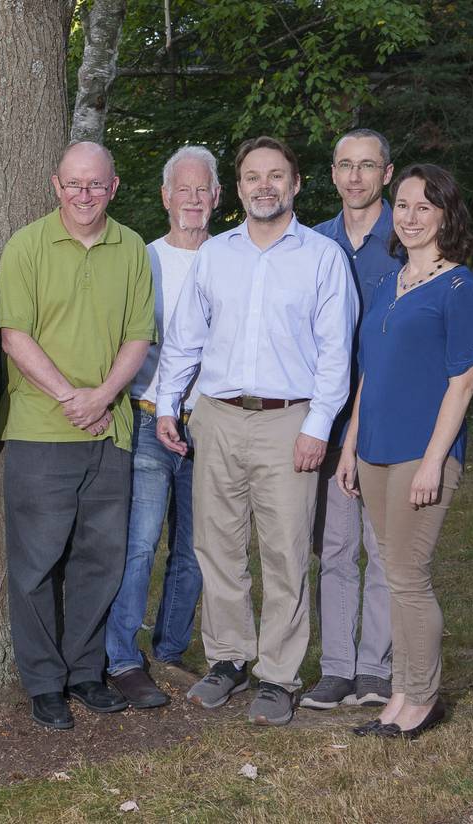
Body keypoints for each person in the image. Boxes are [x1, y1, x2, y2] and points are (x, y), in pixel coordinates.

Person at [154, 135, 357, 727]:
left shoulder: (321, 257)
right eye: (251, 177)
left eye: (276, 176)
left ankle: (278, 675)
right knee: (216, 546)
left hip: (288, 420)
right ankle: (228, 658)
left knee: (285, 550)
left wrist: (317, 427)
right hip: (215, 415)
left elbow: (334, 355)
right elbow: (187, 338)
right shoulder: (216, 255)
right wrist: (169, 403)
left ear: (295, 184)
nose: (263, 186)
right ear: (237, 188)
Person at [0, 140, 156, 730]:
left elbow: (138, 336)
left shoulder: (132, 248)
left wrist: (103, 397)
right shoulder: (28, 245)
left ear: (112, 188)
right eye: (73, 184)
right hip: (42, 430)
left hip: (109, 431)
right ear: (55, 186)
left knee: (100, 559)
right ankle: (43, 682)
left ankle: (86, 670)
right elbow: (14, 334)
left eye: (96, 185)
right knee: (36, 563)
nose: (84, 196)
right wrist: (70, 396)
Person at [334, 164, 473, 740]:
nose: (411, 216)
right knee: (392, 571)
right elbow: (369, 375)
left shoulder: (460, 286)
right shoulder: (389, 282)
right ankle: (401, 692)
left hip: (423, 454)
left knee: (407, 574)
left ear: (446, 214)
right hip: (373, 449)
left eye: (425, 206)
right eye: (403, 205)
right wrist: (349, 445)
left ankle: (422, 698)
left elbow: (463, 381)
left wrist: (433, 461)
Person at [104, 145, 218, 709]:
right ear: (165, 197)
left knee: (195, 549)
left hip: (213, 426)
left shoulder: (231, 256)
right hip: (149, 419)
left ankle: (170, 651)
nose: (193, 200)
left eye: (204, 190)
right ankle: (122, 655)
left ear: (217, 198)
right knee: (141, 542)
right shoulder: (142, 258)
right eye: (184, 189)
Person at [301, 129, 401, 711]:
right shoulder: (315, 243)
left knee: (385, 550)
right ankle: (337, 667)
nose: (355, 177)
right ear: (333, 173)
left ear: (387, 174)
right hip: (332, 420)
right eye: (345, 166)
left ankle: (376, 670)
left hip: (391, 421)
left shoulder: (408, 240)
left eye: (368, 166)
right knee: (335, 547)